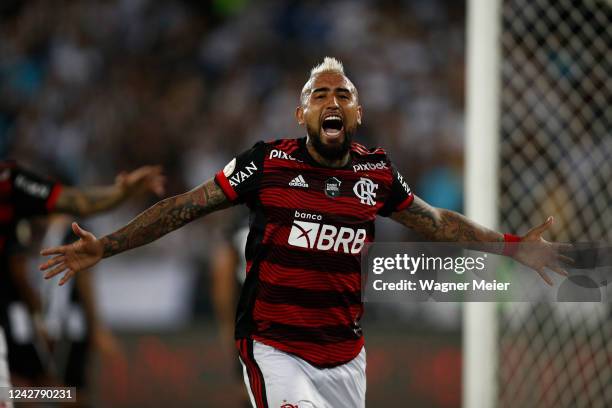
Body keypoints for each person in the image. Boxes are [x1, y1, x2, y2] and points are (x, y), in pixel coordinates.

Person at [40, 57, 569, 408]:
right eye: (320, 95)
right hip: (274, 346)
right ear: (302, 112)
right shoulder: (266, 163)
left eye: (343, 94)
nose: (332, 101)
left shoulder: (376, 173)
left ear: (357, 113)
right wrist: (106, 245)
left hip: (345, 356)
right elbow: (185, 206)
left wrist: (512, 247)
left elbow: (435, 222)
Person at [0, 160, 164, 407]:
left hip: (67, 326)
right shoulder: (45, 231)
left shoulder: (10, 183)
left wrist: (95, 326)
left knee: (53, 390)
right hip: (46, 324)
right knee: (43, 389)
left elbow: (81, 278)